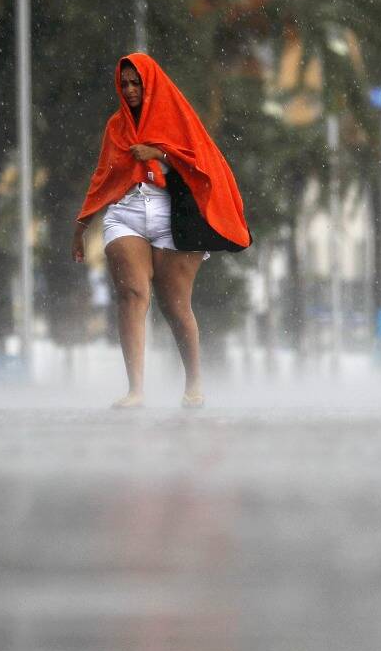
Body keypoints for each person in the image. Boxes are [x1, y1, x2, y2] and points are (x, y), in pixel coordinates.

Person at [73, 54, 250, 409]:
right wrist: (82, 223)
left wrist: (160, 154)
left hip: (173, 216)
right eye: (124, 84)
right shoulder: (116, 126)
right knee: (133, 295)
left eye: (136, 83)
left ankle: (194, 383)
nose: (130, 89)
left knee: (175, 305)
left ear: (150, 83)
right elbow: (104, 175)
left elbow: (203, 164)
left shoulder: (177, 117)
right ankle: (135, 390)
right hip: (126, 213)